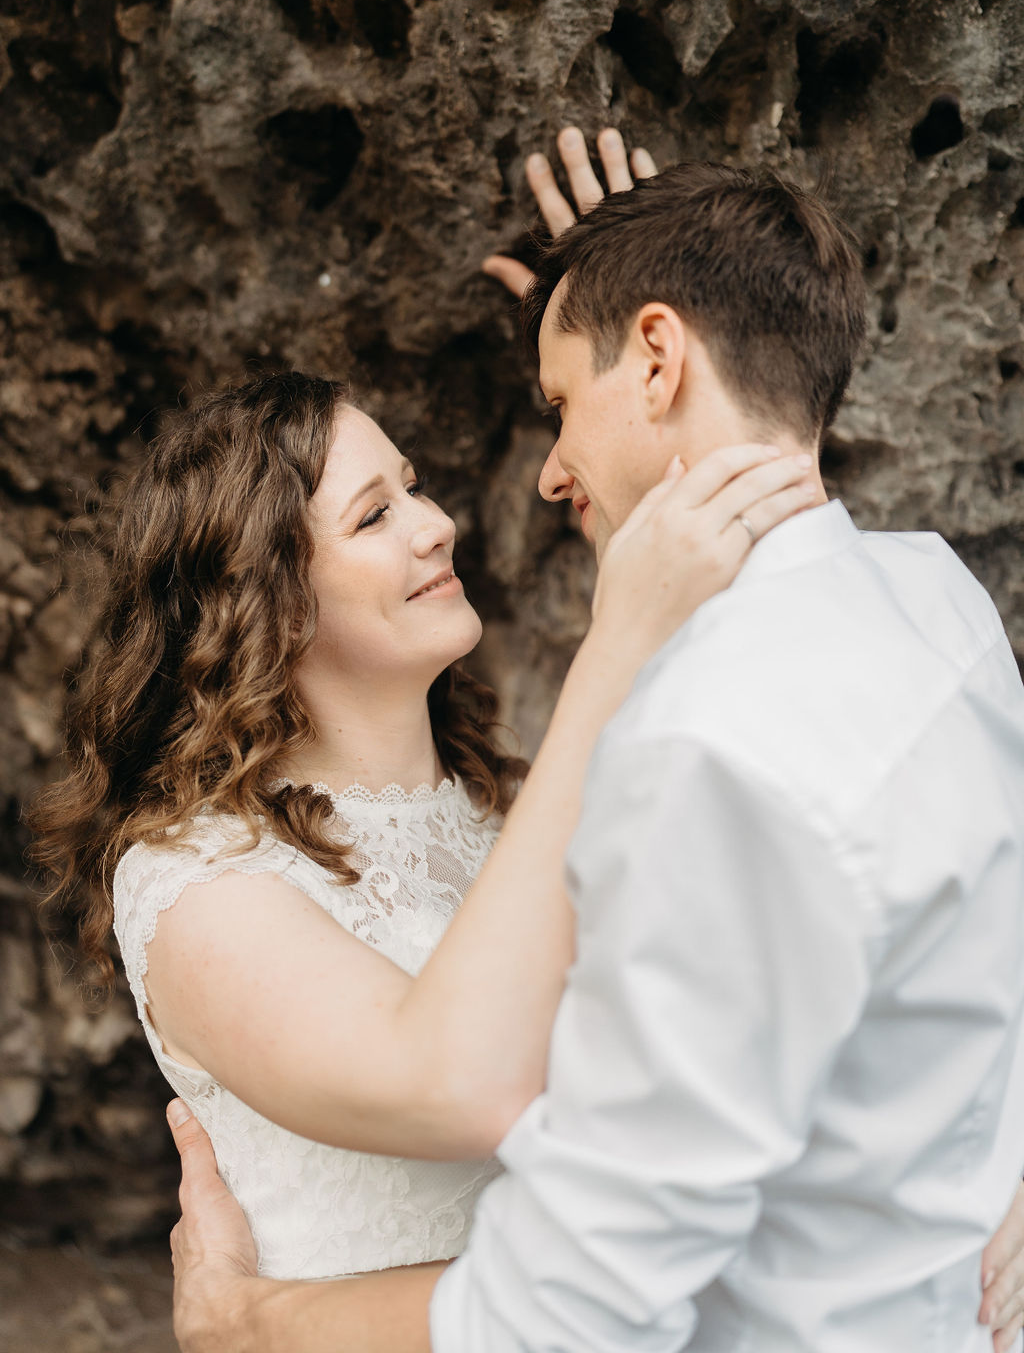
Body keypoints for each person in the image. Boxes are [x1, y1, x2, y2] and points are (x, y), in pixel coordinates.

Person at [163, 138, 1024, 1353]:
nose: (546, 474)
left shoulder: (692, 746)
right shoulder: (937, 603)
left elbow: (569, 1308)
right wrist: (613, 311)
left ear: (661, 356)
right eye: (375, 508)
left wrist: (250, 1324)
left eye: (559, 405)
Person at [28, 355, 813, 1280]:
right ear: (264, 596)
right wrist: (621, 640)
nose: (437, 526)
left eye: (415, 489)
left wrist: (641, 351)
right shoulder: (194, 881)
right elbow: (450, 1088)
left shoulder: (505, 808)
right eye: (374, 515)